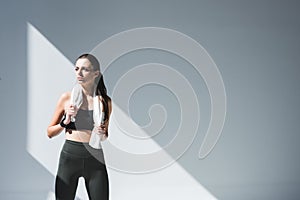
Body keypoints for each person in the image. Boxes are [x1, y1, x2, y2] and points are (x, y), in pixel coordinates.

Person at [47, 53, 112, 200]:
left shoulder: (105, 102)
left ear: (96, 74)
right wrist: (66, 120)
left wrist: (102, 132)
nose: (79, 73)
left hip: (95, 157)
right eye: (76, 69)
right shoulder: (67, 99)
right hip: (70, 156)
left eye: (85, 69)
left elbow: (105, 135)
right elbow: (49, 132)